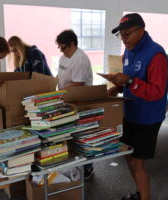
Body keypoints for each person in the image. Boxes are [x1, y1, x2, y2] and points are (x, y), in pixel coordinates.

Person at [108, 13, 168, 200]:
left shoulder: (155, 54)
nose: (123, 39)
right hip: (130, 113)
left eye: (127, 34)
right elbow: (129, 80)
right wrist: (117, 86)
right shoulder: (128, 51)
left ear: (141, 30)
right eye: (121, 35)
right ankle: (140, 193)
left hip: (147, 117)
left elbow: (157, 91)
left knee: (137, 162)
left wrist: (130, 81)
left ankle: (145, 197)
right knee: (128, 156)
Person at [56, 29, 94, 179]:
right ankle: (75, 165)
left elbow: (78, 84)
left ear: (72, 44)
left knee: (83, 135)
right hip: (66, 99)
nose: (62, 50)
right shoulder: (64, 58)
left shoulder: (80, 59)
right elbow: (59, 76)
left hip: (79, 101)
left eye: (63, 47)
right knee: (71, 135)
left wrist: (60, 93)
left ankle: (88, 168)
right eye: (59, 47)